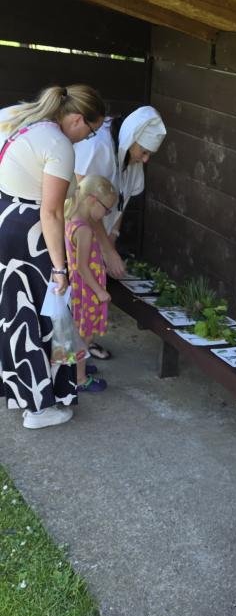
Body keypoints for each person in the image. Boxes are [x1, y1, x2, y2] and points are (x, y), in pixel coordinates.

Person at [0, 84, 105, 429]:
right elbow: (52, 212)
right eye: (90, 131)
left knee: (15, 318)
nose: (86, 139)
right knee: (42, 321)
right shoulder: (58, 143)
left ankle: (21, 394)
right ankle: (40, 409)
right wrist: (60, 269)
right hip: (30, 237)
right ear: (77, 120)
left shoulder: (21, 122)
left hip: (6, 222)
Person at [73, 105, 166, 356]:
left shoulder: (130, 156)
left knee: (90, 291)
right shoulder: (97, 147)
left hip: (97, 233)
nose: (145, 159)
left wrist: (112, 238)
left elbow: (123, 201)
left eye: (149, 154)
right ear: (131, 140)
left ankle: (83, 345)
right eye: (144, 152)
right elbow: (85, 204)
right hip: (76, 230)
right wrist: (107, 250)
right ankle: (72, 353)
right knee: (78, 291)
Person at [64, 176, 117, 393]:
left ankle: (77, 367)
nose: (106, 214)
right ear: (93, 200)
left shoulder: (71, 219)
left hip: (78, 289)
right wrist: (100, 291)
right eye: (106, 209)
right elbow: (82, 267)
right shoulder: (84, 230)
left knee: (78, 331)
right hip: (86, 291)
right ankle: (80, 379)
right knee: (84, 335)